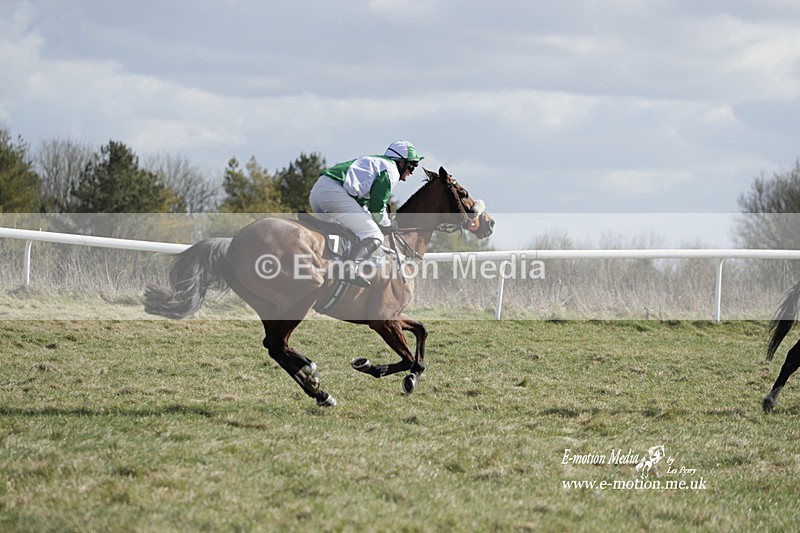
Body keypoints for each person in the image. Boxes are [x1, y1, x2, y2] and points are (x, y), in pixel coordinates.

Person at [309, 140, 423, 287]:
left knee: (349, 233)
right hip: (333, 193)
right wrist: (387, 224)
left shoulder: (379, 163)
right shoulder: (391, 171)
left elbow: (364, 205)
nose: (412, 171)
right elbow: (377, 208)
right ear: (401, 163)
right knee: (374, 235)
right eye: (412, 165)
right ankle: (348, 268)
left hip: (318, 192)